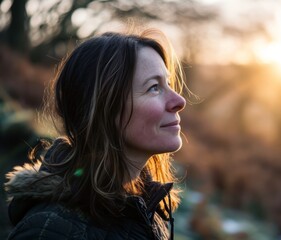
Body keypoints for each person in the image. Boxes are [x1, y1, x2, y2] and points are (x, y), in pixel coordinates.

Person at [4, 28, 187, 240]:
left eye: (169, 83)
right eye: (154, 87)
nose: (179, 101)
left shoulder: (142, 206)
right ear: (104, 108)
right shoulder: (49, 231)